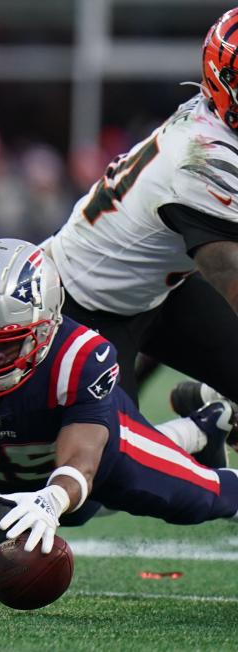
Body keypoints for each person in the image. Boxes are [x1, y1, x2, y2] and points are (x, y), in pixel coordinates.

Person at [0, 239, 238, 553]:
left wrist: (52, 499)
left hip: (104, 462)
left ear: (45, 327)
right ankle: (203, 425)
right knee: (35, 522)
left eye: (4, 345)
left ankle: (202, 429)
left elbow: (82, 462)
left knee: (206, 499)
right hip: (15, 475)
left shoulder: (78, 357)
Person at [42, 7, 238, 437]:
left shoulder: (216, 125)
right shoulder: (206, 165)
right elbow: (231, 281)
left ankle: (204, 409)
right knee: (103, 478)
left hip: (159, 287)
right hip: (80, 306)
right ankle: (204, 427)